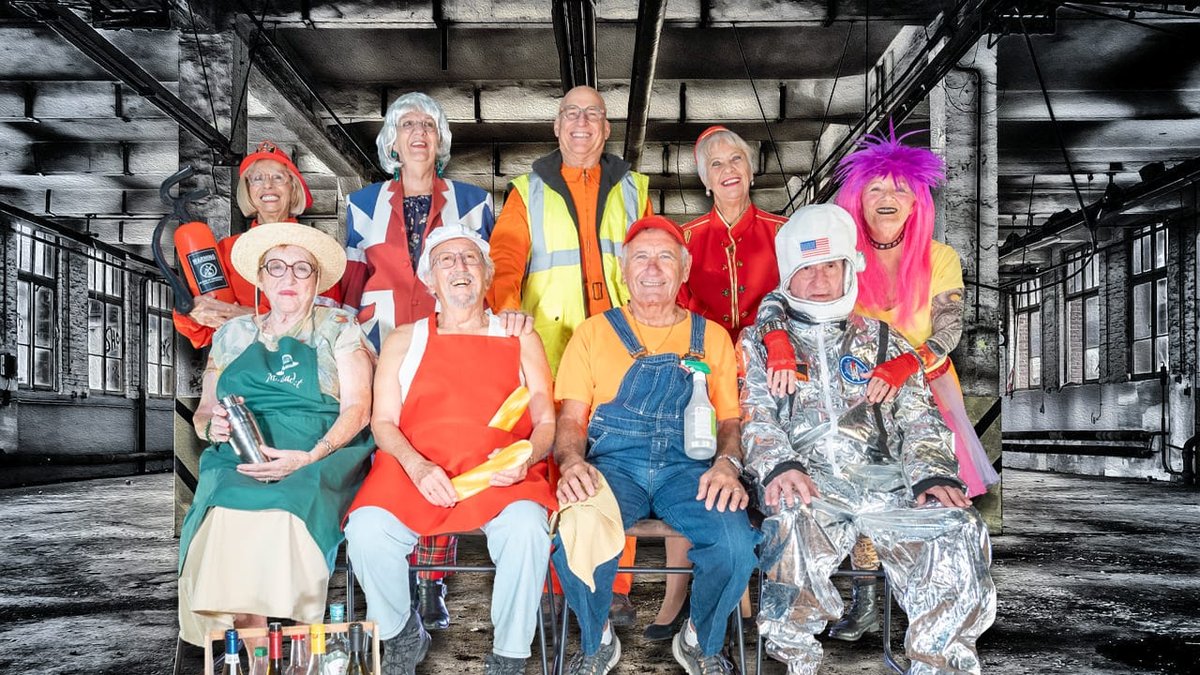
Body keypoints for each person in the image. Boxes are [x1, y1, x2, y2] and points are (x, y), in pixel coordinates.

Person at [757, 128, 1000, 640]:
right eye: (875, 189)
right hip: (849, 394)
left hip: (922, 380)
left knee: (928, 493)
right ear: (857, 200)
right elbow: (787, 288)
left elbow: (951, 328)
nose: (888, 198)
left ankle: (932, 621)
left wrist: (906, 362)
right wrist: (775, 332)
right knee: (850, 483)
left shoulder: (938, 258)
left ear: (917, 201)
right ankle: (864, 601)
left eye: (900, 190)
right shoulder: (840, 251)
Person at [344, 225, 557, 675]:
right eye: (446, 260)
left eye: (470, 259)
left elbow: (545, 420)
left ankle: (510, 655)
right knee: (365, 531)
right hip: (415, 472)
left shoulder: (519, 336)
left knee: (527, 528)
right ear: (430, 280)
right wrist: (417, 467)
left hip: (498, 477)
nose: (459, 267)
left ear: (486, 275)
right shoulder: (405, 338)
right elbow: (383, 422)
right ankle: (401, 631)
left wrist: (528, 457)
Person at [552, 215, 758, 675]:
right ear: (623, 271)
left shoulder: (713, 338)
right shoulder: (592, 333)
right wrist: (571, 464)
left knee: (735, 545)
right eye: (641, 258)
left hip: (692, 467)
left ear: (684, 270)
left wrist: (727, 464)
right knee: (575, 535)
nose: (653, 268)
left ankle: (700, 640)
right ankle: (597, 639)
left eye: (666, 257)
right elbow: (570, 419)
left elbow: (730, 419)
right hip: (612, 465)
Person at [486, 84, 653, 625]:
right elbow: (505, 259)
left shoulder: (634, 189)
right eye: (570, 114)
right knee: (560, 460)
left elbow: (654, 260)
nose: (582, 123)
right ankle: (559, 585)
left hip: (623, 347)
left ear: (606, 129)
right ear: (557, 127)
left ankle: (616, 585)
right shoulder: (525, 190)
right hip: (554, 349)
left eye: (594, 116)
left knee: (620, 458)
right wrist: (508, 311)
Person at [177, 222, 375, 646]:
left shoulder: (339, 326)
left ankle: (288, 650)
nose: (289, 277)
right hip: (240, 454)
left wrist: (310, 455)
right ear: (260, 278)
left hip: (322, 451)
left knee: (285, 509)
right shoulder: (232, 335)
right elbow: (206, 410)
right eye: (277, 267)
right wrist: (212, 425)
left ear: (317, 279)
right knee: (226, 516)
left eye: (302, 268)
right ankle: (258, 654)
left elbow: (359, 410)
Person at [340, 92, 496, 629]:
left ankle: (431, 582)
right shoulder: (362, 203)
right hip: (380, 336)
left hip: (444, 338)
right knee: (388, 454)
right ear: (391, 141)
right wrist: (344, 334)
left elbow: (478, 276)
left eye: (428, 125)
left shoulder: (473, 200)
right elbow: (352, 277)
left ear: (440, 140)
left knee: (440, 447)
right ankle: (391, 572)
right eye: (406, 125)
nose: (418, 134)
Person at [644, 125, 787, 641]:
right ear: (706, 180)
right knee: (690, 468)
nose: (728, 171)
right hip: (699, 376)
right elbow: (668, 313)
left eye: (736, 161)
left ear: (750, 171)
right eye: (717, 165)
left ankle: (755, 589)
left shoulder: (782, 230)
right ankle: (675, 592)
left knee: (765, 472)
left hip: (769, 377)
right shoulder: (685, 240)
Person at [173, 141, 340, 349]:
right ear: (248, 190)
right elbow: (201, 333)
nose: (267, 185)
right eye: (257, 178)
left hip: (296, 370)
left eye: (278, 177)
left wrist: (242, 317)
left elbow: (324, 323)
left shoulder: (317, 249)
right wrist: (192, 312)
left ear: (293, 188)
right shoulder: (227, 250)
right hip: (236, 368)